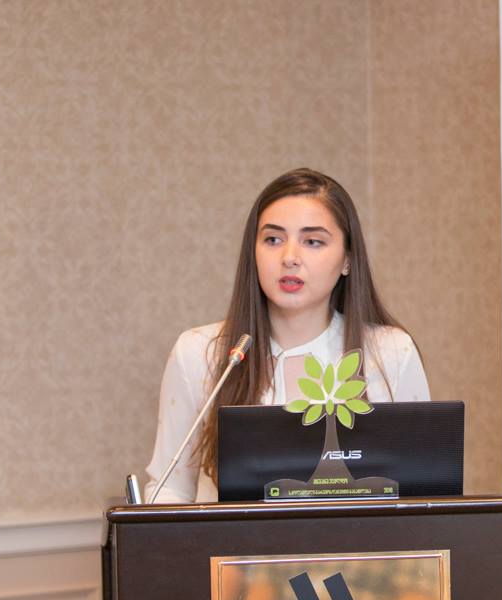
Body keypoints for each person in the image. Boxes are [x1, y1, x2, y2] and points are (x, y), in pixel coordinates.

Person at [143, 168, 430, 504]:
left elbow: (421, 493)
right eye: (273, 240)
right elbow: (169, 490)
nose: (290, 258)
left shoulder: (391, 352)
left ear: (347, 260)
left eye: (313, 241)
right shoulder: (198, 352)